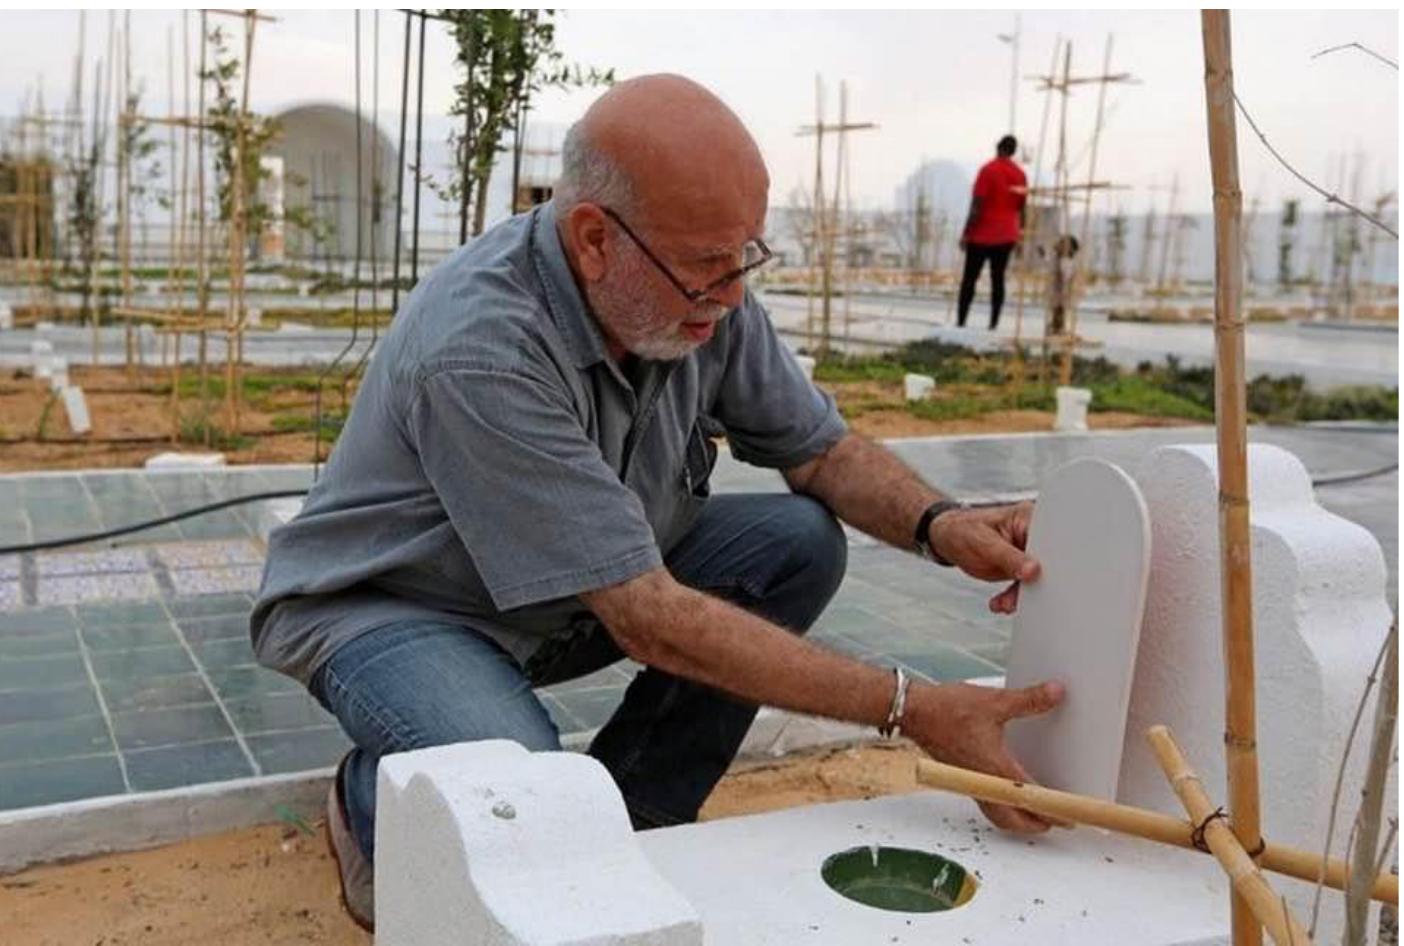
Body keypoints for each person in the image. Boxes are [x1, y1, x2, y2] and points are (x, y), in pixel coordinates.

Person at [251, 75, 1062, 932]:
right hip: (403, 608)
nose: (734, 295)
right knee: (524, 782)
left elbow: (821, 451)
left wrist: (943, 525)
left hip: (567, 594)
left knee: (796, 541)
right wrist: (916, 708)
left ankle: (636, 818)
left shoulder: (699, 291)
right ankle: (373, 804)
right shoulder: (482, 348)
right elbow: (647, 615)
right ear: (595, 240)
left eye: (747, 256)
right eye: (710, 267)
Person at [957, 134, 1028, 330]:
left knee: (969, 279)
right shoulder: (1020, 175)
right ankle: (993, 323)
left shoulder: (987, 170)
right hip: (1007, 235)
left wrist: (966, 232)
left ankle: (961, 321)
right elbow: (1022, 208)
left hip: (982, 234)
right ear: (1013, 152)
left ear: (997, 147)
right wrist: (1021, 234)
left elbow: (977, 204)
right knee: (998, 279)